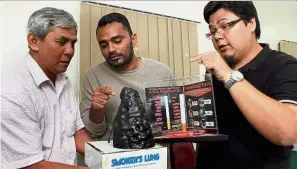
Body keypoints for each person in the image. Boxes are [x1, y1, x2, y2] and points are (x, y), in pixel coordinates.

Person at [191, 1, 297, 169]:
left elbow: (288, 132)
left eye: (225, 26)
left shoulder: (284, 66)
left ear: (251, 23)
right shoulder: (214, 72)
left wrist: (228, 76)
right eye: (212, 31)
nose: (217, 36)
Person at [1, 7, 92, 169]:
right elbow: (30, 165)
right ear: (34, 41)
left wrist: (108, 159)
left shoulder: (63, 79)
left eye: (73, 43)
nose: (70, 51)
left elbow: (77, 131)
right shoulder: (12, 92)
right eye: (62, 42)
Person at [80, 12, 175, 140]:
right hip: (114, 157)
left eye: (117, 41)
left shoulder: (162, 72)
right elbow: (93, 132)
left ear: (133, 39)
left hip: (155, 155)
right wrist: (96, 109)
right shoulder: (92, 76)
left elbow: (174, 126)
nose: (111, 49)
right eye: (104, 45)